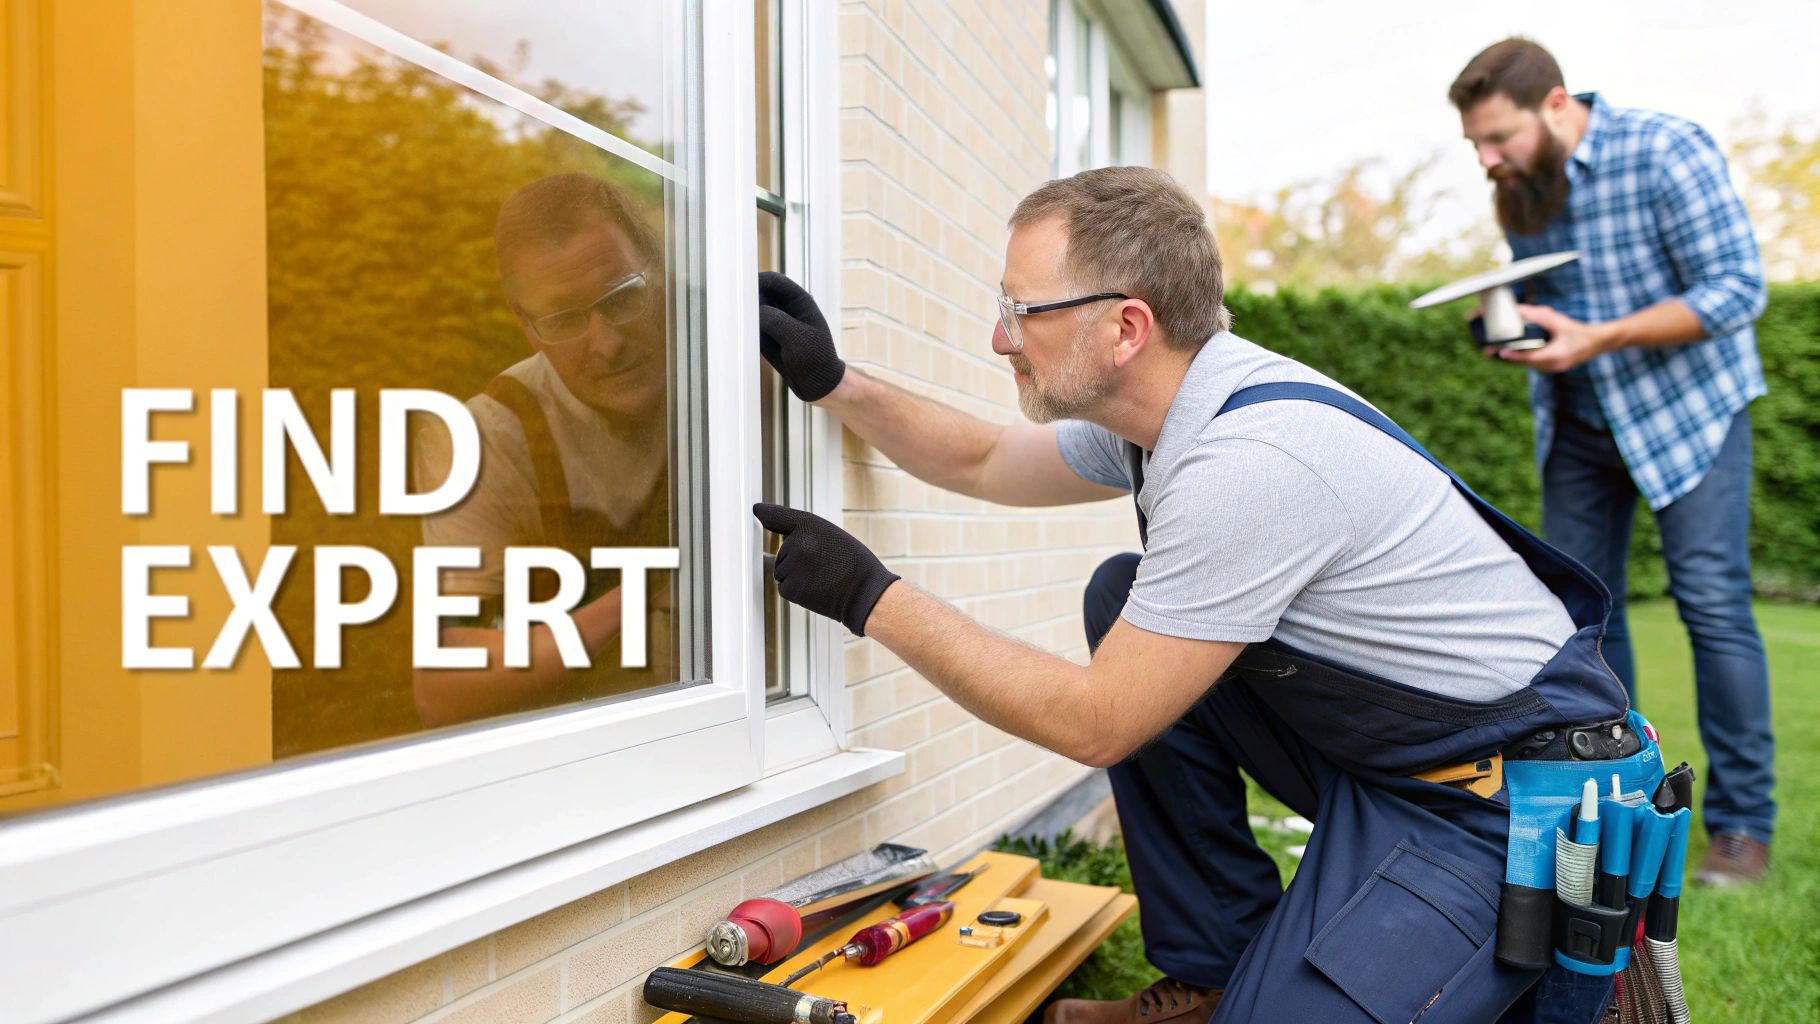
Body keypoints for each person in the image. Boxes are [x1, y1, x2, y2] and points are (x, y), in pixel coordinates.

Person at [753, 166, 1631, 1023]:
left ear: (1126, 327)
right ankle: (1214, 972)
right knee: (1122, 594)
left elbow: (1098, 722)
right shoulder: (1170, 414)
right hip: (1398, 758)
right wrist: (836, 382)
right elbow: (984, 459)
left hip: (1514, 807)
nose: (999, 338)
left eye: (1020, 311)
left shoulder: (1247, 463)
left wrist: (872, 596)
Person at [1450, 37, 1774, 884]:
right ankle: (1617, 800)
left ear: (1555, 105)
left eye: (1499, 138)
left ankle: (1743, 830)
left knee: (1711, 605)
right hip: (1580, 424)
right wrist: (1509, 328)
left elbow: (1739, 288)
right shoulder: (1524, 183)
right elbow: (1550, 300)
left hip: (1685, 416)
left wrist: (1602, 336)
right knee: (1584, 623)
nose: (1488, 159)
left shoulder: (1664, 150)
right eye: (1476, 145)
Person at [412, 172, 677, 726]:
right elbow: (443, 687)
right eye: (563, 319)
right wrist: (656, 586)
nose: (607, 343)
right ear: (526, 325)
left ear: (660, 272)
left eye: (623, 297)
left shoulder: (738, 367)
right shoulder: (486, 439)